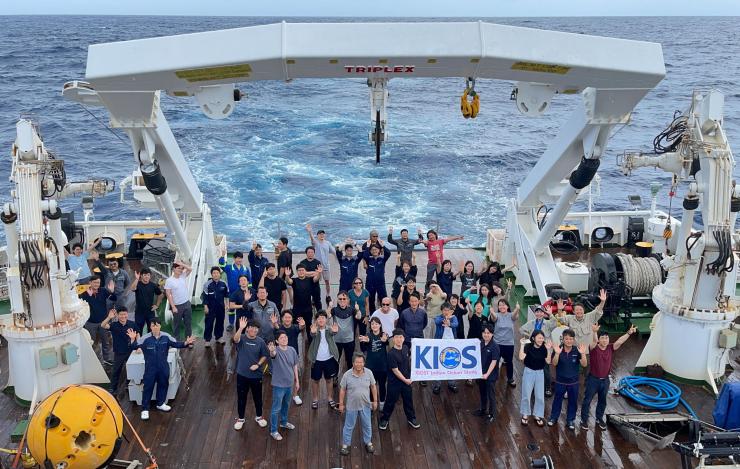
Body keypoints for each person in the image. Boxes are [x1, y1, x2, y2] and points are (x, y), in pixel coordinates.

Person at [126, 318, 194, 420]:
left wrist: (186, 343)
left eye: (157, 325)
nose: (155, 327)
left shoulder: (166, 337)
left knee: (163, 384)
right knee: (148, 387)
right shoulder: (145, 339)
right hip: (150, 368)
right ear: (150, 327)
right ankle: (145, 409)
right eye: (153, 325)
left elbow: (176, 344)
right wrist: (132, 339)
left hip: (163, 367)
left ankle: (161, 403)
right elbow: (134, 347)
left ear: (160, 326)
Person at [580, 324, 637, 431]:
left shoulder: (611, 348)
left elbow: (620, 341)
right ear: (599, 340)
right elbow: (594, 341)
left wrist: (629, 333)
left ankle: (599, 418)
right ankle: (584, 420)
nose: (605, 340)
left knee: (602, 401)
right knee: (587, 400)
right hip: (593, 379)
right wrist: (594, 332)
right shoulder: (594, 348)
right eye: (603, 338)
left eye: (607, 338)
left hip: (605, 380)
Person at [232, 317, 270, 431]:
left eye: (256, 328)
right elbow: (235, 339)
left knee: (258, 397)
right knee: (241, 397)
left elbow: (265, 355)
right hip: (242, 375)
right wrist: (240, 328)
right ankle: (241, 419)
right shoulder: (242, 338)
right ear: (247, 329)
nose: (254, 330)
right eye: (251, 328)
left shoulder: (260, 342)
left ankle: (259, 416)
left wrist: (258, 365)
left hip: (256, 375)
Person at [378, 329, 419, 430]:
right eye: (396, 337)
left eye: (401, 337)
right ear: (393, 339)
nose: (399, 339)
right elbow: (395, 371)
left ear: (404, 338)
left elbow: (410, 360)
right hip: (395, 383)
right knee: (390, 402)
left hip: (407, 381)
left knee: (408, 401)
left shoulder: (406, 348)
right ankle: (385, 419)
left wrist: (412, 376)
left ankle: (411, 418)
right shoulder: (391, 354)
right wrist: (406, 380)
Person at [338, 353, 378, 455]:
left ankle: (368, 442)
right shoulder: (347, 375)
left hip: (366, 405)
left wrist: (375, 401)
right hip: (351, 405)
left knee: (367, 425)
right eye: (357, 362)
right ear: (353, 363)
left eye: (361, 362)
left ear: (364, 363)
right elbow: (342, 390)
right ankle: (345, 445)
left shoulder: (369, 373)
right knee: (348, 426)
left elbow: (373, 387)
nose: (359, 364)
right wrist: (341, 404)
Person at [549, 329, 588, 430]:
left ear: (573, 340)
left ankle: (570, 420)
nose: (569, 341)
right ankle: (553, 417)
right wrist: (557, 354)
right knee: (557, 400)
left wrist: (583, 354)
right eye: (566, 339)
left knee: (573, 401)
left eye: (571, 339)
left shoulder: (577, 350)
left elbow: (584, 364)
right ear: (563, 339)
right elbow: (554, 363)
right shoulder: (558, 349)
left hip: (573, 382)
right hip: (560, 381)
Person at [267, 330, 300, 441]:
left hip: (289, 384)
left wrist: (297, 380)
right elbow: (273, 355)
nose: (284, 339)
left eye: (285, 337)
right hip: (279, 386)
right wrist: (271, 351)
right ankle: (273, 430)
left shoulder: (292, 350)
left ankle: (284, 422)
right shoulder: (275, 350)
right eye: (281, 338)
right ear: (277, 341)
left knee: (286, 405)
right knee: (276, 408)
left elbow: (295, 365)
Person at [520, 305, 557, 397]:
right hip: (534, 349)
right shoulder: (531, 323)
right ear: (535, 313)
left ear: (544, 313)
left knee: (545, 369)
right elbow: (521, 329)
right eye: (537, 312)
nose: (539, 313)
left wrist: (551, 314)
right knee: (534, 368)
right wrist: (529, 336)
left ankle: (547, 387)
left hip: (545, 348)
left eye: (541, 312)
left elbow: (555, 323)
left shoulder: (548, 323)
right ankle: (534, 386)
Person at [307, 310, 340, 410]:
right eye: (319, 318)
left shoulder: (329, 329)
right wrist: (312, 332)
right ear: (316, 320)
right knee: (315, 380)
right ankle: (315, 399)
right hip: (316, 360)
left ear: (326, 319)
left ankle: (330, 398)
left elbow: (333, 332)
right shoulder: (314, 329)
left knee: (329, 380)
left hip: (329, 359)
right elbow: (313, 334)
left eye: (323, 317)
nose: (321, 319)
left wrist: (335, 331)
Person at [80, 275, 117, 364]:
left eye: (98, 282)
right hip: (90, 323)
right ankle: (94, 360)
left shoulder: (103, 291)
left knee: (105, 341)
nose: (97, 284)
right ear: (90, 283)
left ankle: (106, 359)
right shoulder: (84, 294)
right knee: (91, 342)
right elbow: (81, 306)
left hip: (103, 321)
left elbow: (114, 299)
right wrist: (90, 296)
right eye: (95, 282)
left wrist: (112, 292)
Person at [272, 310, 306, 405]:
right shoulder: (279, 328)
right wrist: (274, 323)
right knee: (281, 376)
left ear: (292, 319)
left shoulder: (295, 327)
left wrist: (303, 325)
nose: (287, 319)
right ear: (282, 319)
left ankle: (295, 395)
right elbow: (276, 329)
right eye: (285, 317)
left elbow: (301, 328)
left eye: (289, 317)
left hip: (293, 355)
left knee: (295, 376)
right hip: (280, 356)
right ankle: (282, 394)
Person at [519, 330, 552, 426]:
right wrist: (521, 345)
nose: (541, 340)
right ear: (533, 338)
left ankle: (537, 414)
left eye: (542, 338)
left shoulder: (544, 347)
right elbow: (521, 357)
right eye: (539, 338)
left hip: (540, 373)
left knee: (539, 396)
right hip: (529, 371)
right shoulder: (528, 346)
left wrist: (549, 350)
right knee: (526, 394)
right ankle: (525, 414)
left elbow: (548, 361)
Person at [101, 306, 136, 395]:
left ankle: (129, 385)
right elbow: (103, 325)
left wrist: (138, 346)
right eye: (121, 314)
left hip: (130, 351)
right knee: (116, 371)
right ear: (117, 315)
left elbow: (138, 334)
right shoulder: (114, 325)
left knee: (131, 369)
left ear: (127, 314)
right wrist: (109, 317)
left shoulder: (132, 324)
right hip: (119, 352)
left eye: (124, 314)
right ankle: (113, 388)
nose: (123, 316)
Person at [563, 289, 607, 361]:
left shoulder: (590, 317)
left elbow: (598, 310)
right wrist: (559, 309)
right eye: (577, 310)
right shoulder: (569, 318)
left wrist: (603, 301)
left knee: (587, 368)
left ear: (584, 310)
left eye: (581, 310)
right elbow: (559, 319)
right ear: (573, 311)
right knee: (573, 368)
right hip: (574, 351)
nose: (579, 311)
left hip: (587, 352)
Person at [489, 299, 519, 387]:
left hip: (509, 344)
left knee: (509, 362)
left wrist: (517, 309)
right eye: (500, 305)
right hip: (497, 343)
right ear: (498, 307)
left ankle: (510, 378)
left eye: (504, 305)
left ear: (507, 306)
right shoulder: (497, 315)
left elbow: (514, 316)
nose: (502, 306)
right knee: (495, 361)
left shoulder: (511, 315)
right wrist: (491, 312)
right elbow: (494, 318)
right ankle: (493, 377)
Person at [360, 317, 388, 409]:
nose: (374, 325)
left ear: (380, 325)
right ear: (370, 326)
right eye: (372, 324)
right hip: (371, 367)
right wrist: (365, 341)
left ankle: (382, 402)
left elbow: (385, 341)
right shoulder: (368, 335)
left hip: (383, 366)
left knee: (382, 385)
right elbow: (365, 344)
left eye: (376, 324)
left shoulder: (383, 335)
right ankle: (372, 402)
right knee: (372, 385)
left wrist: (385, 340)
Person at [329, 293, 361, 372]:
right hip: (336, 340)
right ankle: (335, 377)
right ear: (337, 300)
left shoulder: (352, 310)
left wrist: (357, 309)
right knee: (336, 359)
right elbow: (328, 316)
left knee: (350, 360)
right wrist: (329, 306)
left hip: (349, 340)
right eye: (340, 299)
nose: (342, 300)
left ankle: (350, 376)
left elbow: (359, 317)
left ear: (348, 300)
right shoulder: (334, 310)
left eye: (344, 299)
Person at [286, 264, 322, 333]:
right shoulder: (294, 280)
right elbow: (289, 281)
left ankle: (309, 342)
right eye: (299, 270)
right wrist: (287, 275)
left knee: (309, 328)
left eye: (302, 270)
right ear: (297, 272)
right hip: (297, 309)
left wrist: (319, 273)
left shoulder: (310, 280)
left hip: (308, 309)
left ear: (305, 271)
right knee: (296, 328)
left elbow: (316, 278)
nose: (301, 272)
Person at [432, 302, 459, 394]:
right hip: (440, 343)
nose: (446, 312)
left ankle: (451, 383)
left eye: (448, 310)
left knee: (452, 362)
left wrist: (449, 323)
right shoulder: (439, 317)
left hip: (452, 343)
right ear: (442, 310)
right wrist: (446, 318)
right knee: (439, 363)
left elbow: (456, 324)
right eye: (444, 310)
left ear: (451, 310)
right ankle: (437, 384)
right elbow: (437, 322)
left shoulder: (454, 317)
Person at [475, 324, 500, 423]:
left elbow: (494, 362)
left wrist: (487, 374)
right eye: (484, 333)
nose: (486, 335)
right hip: (481, 374)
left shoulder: (495, 346)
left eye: (488, 333)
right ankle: (483, 409)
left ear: (492, 334)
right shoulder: (480, 343)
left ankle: (492, 414)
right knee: (482, 393)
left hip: (490, 376)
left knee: (491, 395)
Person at [164, 261, 193, 341]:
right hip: (177, 306)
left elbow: (190, 269)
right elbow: (168, 294)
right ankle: (176, 341)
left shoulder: (183, 276)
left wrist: (182, 264)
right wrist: (173, 307)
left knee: (188, 323)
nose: (180, 270)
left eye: (181, 269)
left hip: (187, 303)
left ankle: (188, 340)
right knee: (176, 324)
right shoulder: (169, 281)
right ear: (173, 269)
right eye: (178, 268)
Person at [358, 243, 391, 313]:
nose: (374, 251)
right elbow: (364, 255)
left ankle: (384, 313)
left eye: (376, 249)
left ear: (379, 250)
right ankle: (373, 315)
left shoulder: (382, 259)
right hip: (370, 284)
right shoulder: (369, 259)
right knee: (370, 300)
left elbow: (388, 253)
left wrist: (383, 245)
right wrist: (367, 247)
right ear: (370, 251)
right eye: (372, 250)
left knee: (384, 299)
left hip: (380, 284)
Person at [201, 266, 229, 346]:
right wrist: (205, 306)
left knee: (220, 322)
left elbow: (227, 295)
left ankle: (219, 337)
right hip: (210, 308)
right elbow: (204, 297)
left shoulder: (224, 284)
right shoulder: (207, 284)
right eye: (214, 273)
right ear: (212, 275)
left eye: (217, 273)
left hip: (220, 307)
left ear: (220, 274)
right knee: (209, 323)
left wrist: (227, 304)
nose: (216, 274)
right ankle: (207, 339)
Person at [130, 268, 163, 335]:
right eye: (145, 275)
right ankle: (139, 344)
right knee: (138, 330)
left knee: (152, 330)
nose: (146, 276)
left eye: (148, 275)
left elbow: (160, 294)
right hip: (139, 312)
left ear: (150, 276)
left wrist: (157, 305)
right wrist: (136, 279)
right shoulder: (138, 284)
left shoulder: (153, 285)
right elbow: (132, 288)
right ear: (141, 276)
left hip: (150, 312)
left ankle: (150, 344)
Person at [307, 224, 333, 305]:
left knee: (327, 282)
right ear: (317, 236)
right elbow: (312, 239)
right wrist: (310, 232)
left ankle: (328, 295)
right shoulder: (316, 243)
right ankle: (314, 297)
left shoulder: (328, 243)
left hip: (326, 266)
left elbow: (333, 251)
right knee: (315, 282)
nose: (321, 235)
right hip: (317, 266)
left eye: (323, 234)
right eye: (320, 234)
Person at [298, 246, 324, 311]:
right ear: (306, 253)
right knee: (305, 302)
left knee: (318, 302)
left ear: (314, 253)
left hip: (315, 285)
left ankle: (320, 314)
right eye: (309, 252)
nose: (310, 254)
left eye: (312, 252)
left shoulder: (317, 262)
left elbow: (317, 275)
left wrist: (307, 273)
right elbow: (303, 274)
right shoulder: (302, 262)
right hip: (305, 285)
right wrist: (314, 273)